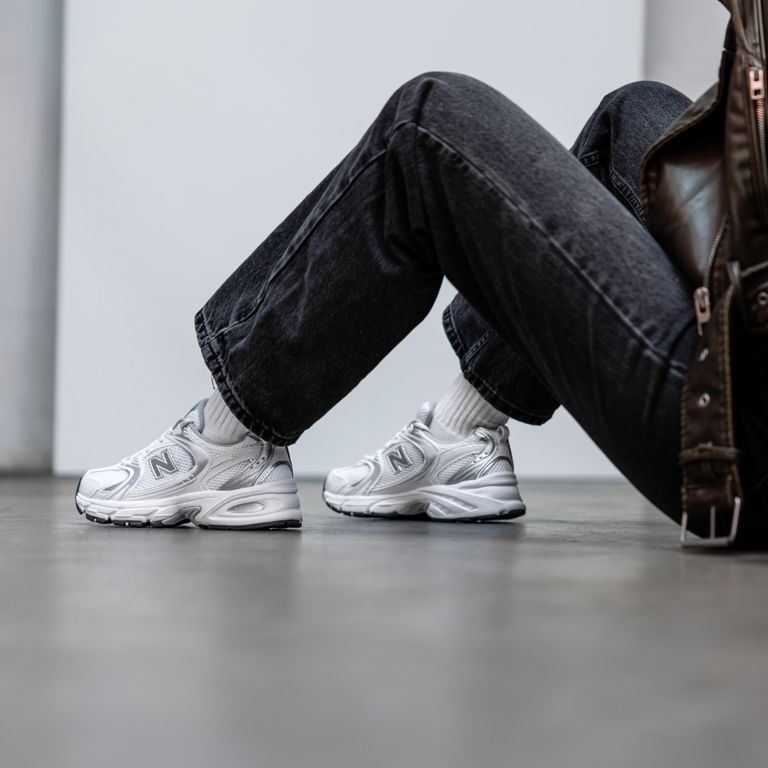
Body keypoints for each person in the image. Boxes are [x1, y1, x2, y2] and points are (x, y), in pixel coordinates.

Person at [74, 71, 768, 539]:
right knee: (637, 114)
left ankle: (229, 445)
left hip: (741, 423)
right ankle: (460, 438)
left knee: (427, 120)